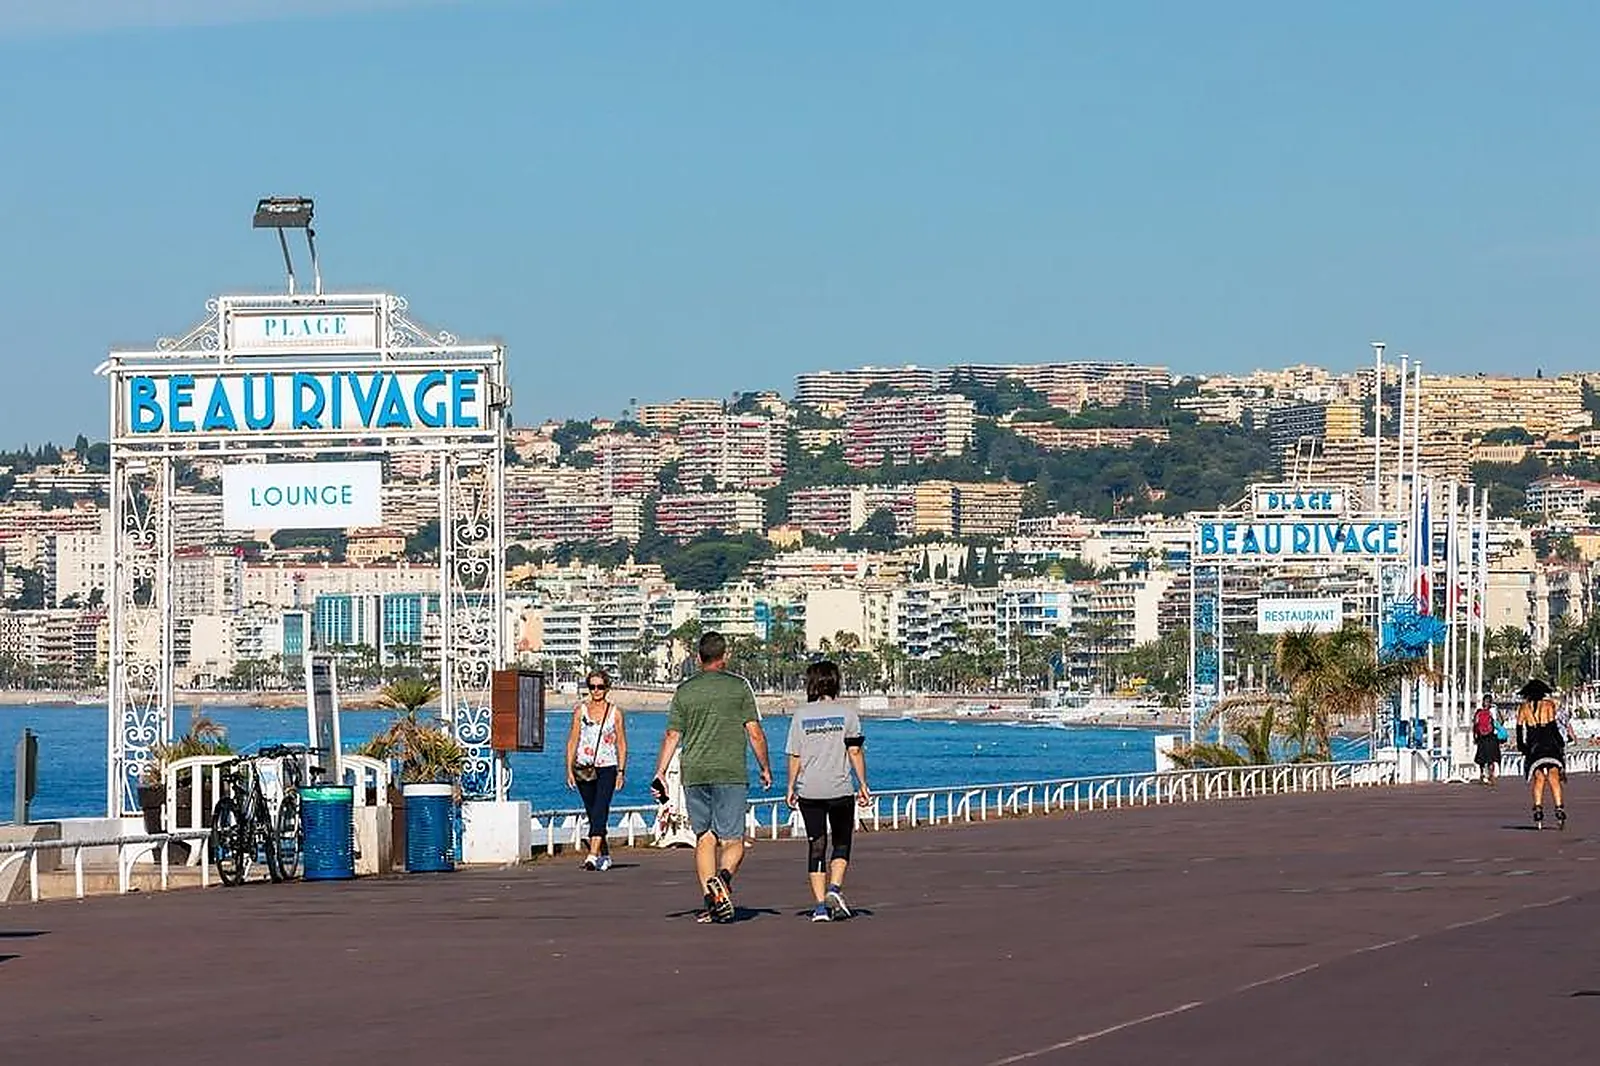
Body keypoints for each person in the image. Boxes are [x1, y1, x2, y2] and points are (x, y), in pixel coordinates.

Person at [652, 631, 772, 923]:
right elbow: (754, 731)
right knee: (733, 841)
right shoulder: (740, 687)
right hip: (730, 771)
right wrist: (765, 767)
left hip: (695, 772)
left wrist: (660, 772)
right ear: (725, 656)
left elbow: (672, 735)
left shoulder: (685, 690)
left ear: (698, 658)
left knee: (704, 838)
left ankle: (711, 900)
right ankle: (724, 879)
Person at [785, 660, 871, 922]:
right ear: (836, 683)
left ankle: (820, 906)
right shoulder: (848, 715)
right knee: (842, 842)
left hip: (809, 790)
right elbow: (854, 751)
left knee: (817, 845)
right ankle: (835, 888)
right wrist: (863, 784)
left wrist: (790, 786)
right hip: (840, 789)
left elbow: (795, 755)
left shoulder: (800, 715)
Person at [565, 669, 627, 870]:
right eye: (592, 687)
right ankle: (605, 853)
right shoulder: (580, 711)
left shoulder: (615, 713)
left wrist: (621, 771)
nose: (596, 690)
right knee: (592, 812)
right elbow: (573, 740)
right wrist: (569, 769)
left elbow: (621, 744)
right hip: (583, 767)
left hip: (607, 767)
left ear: (607, 688)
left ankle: (592, 855)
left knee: (601, 808)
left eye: (600, 687)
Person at [1515, 678, 1566, 830]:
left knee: (1538, 779)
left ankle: (1538, 808)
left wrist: (1522, 746)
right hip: (1549, 743)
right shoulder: (1549, 705)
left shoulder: (1523, 707)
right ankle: (1559, 808)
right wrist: (1561, 743)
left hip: (1534, 745)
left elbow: (1519, 730)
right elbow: (1553, 727)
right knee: (1554, 777)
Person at [1470, 696, 1502, 787]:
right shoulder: (1493, 711)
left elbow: (1475, 724)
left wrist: (1475, 736)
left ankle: (1482, 774)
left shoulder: (1478, 712)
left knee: (1482, 757)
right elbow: (1501, 721)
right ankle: (1491, 776)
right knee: (1491, 758)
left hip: (1481, 737)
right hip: (1491, 737)